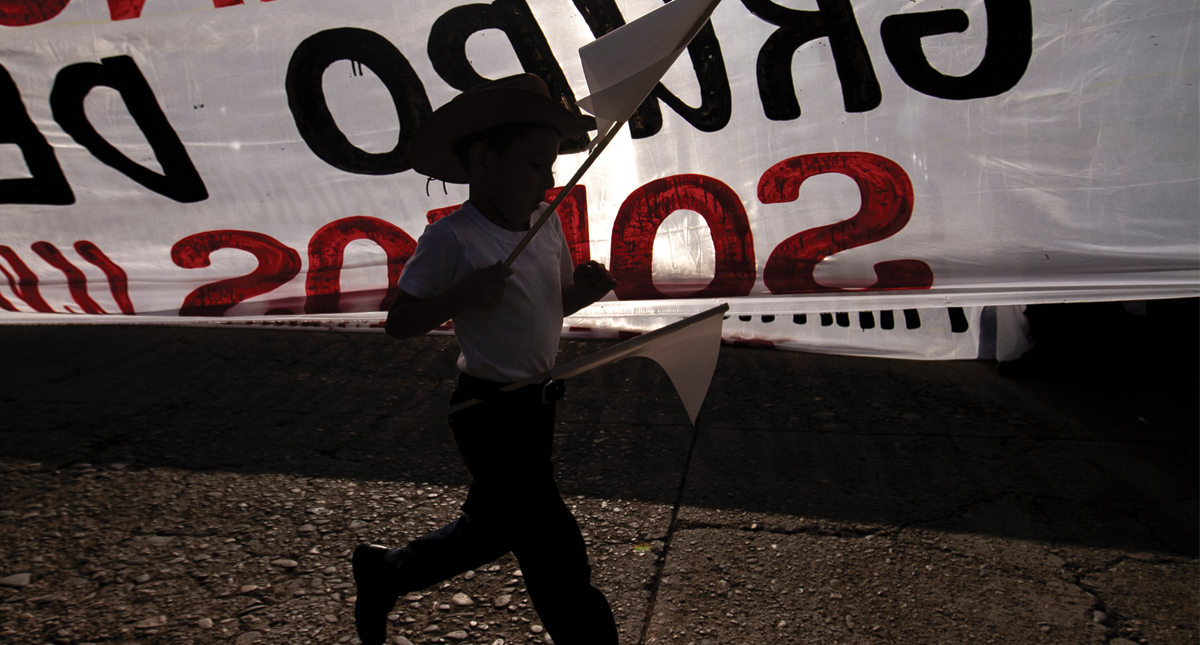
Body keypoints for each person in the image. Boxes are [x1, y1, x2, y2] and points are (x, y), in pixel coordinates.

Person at [352, 73, 620, 645]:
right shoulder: (453, 239)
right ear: (482, 161)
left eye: (550, 164)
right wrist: (458, 299)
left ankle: (385, 572)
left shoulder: (545, 226)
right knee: (554, 550)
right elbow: (400, 322)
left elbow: (549, 302)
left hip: (537, 404)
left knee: (495, 528)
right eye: (533, 164)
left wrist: (583, 294)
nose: (548, 179)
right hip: (489, 411)